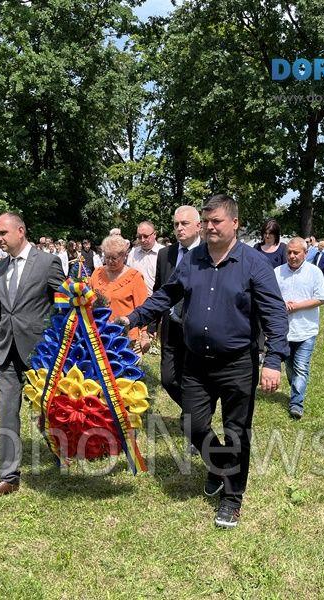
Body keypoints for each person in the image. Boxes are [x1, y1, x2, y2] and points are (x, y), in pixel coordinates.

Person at [116, 194, 289, 529]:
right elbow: (167, 295)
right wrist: (132, 318)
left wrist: (273, 360)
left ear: (235, 223)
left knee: (236, 431)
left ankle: (232, 499)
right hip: (196, 362)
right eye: (206, 221)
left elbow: (274, 314)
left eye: (216, 221)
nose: (209, 227)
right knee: (192, 424)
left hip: (238, 364)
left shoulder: (254, 263)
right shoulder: (193, 259)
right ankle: (221, 466)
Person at [0, 212, 65, 502]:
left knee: (49, 409)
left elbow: (65, 304)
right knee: (6, 412)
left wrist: (65, 344)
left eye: (3, 233)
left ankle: (62, 449)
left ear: (21, 231)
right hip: (6, 352)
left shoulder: (47, 263)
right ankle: (9, 477)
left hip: (40, 351)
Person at [153, 205, 202, 410]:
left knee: (193, 380)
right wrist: (151, 325)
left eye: (184, 223)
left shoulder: (209, 252)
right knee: (168, 378)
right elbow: (159, 290)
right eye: (176, 224)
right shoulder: (165, 254)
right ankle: (193, 410)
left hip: (197, 328)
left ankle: (193, 419)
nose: (179, 228)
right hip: (171, 326)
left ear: (199, 226)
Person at [273, 237, 324, 420]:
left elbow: (320, 298)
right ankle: (296, 389)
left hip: (306, 330)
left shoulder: (314, 272)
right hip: (285, 331)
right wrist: (282, 304)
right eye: (289, 252)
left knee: (301, 368)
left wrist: (297, 306)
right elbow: (271, 297)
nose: (292, 256)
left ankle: (296, 403)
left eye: (296, 252)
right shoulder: (277, 272)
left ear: (305, 253)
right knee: (290, 368)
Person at [90, 235, 150, 350]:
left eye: (114, 258)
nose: (109, 261)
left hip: (124, 337)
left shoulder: (135, 277)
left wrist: (144, 334)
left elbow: (143, 308)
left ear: (124, 256)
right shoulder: (97, 273)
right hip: (98, 333)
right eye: (107, 257)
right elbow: (89, 298)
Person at [126, 220, 163, 295]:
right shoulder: (133, 253)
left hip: (157, 299)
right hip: (135, 298)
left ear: (154, 234)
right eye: (139, 237)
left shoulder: (164, 253)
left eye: (146, 236)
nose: (142, 240)